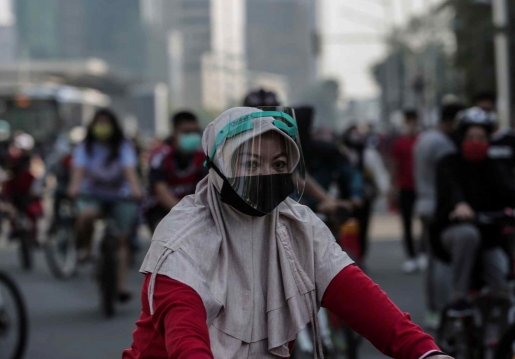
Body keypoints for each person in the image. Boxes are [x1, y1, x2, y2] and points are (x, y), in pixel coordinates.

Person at [123, 107, 450, 359]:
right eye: (250, 164)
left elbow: (359, 297)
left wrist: (425, 352)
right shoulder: (183, 239)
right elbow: (186, 338)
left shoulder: (299, 227)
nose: (267, 174)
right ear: (218, 168)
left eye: (279, 164)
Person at [432, 107, 515, 313]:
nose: (476, 141)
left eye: (481, 137)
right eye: (471, 137)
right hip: (453, 232)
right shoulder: (448, 163)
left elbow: (508, 192)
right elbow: (451, 189)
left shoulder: (494, 167)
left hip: (489, 237)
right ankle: (459, 298)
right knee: (467, 235)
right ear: (462, 138)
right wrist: (459, 205)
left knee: (503, 287)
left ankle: (497, 339)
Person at [68, 109, 142, 302]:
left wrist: (136, 189)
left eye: (106, 123)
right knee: (86, 216)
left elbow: (130, 171)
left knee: (121, 240)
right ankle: (85, 248)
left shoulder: (124, 146)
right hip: (91, 195)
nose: (103, 127)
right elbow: (78, 172)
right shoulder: (85, 147)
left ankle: (120, 286)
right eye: (99, 122)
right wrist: (74, 188)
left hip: (120, 196)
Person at [413, 101, 464, 328]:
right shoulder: (444, 145)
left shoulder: (424, 139)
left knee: (432, 261)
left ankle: (433, 309)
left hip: (423, 203)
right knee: (442, 261)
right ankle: (443, 310)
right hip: (437, 206)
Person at [145, 111, 207, 232]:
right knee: (166, 234)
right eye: (186, 132)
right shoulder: (160, 156)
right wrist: (185, 214)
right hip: (162, 210)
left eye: (195, 132)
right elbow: (161, 192)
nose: (192, 136)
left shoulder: (203, 156)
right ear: (174, 132)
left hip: (195, 211)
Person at [343, 124, 389, 260]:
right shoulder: (342, 153)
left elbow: (379, 173)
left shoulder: (369, 154)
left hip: (365, 197)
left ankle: (360, 257)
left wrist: (385, 191)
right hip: (345, 198)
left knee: (363, 228)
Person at [390, 109, 422, 273]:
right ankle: (411, 256)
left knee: (425, 221)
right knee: (407, 222)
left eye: (414, 120)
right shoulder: (399, 143)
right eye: (409, 120)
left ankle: (422, 252)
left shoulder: (421, 141)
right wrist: (393, 188)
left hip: (422, 187)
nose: (412, 123)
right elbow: (394, 166)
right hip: (405, 187)